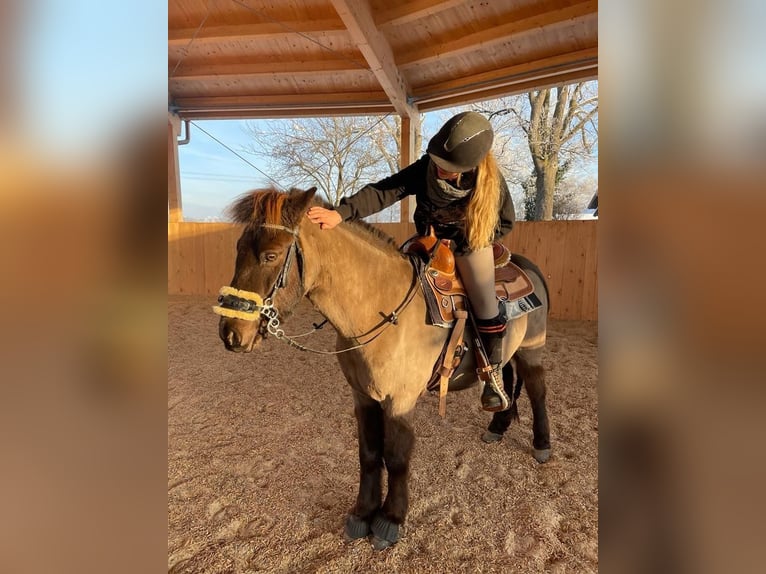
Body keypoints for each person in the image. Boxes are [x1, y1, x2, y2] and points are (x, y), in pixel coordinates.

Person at [307, 111, 515, 412]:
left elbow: (506, 223)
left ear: (469, 166)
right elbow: (386, 191)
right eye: (438, 162)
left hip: (470, 242)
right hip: (428, 238)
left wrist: (466, 238)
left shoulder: (492, 182)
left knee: (485, 304)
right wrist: (340, 213)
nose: (439, 170)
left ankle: (490, 374)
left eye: (447, 167)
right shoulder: (427, 167)